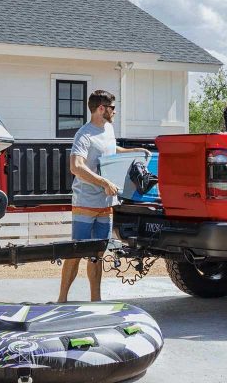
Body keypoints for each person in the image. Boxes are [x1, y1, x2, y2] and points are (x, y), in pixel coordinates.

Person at [57, 90, 150, 303]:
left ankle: (96, 302)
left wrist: (131, 151)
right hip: (85, 203)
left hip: (106, 203)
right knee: (76, 252)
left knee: (97, 254)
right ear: (101, 108)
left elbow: (109, 149)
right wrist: (104, 182)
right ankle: (61, 300)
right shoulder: (84, 134)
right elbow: (76, 166)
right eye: (112, 108)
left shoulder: (108, 129)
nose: (115, 111)